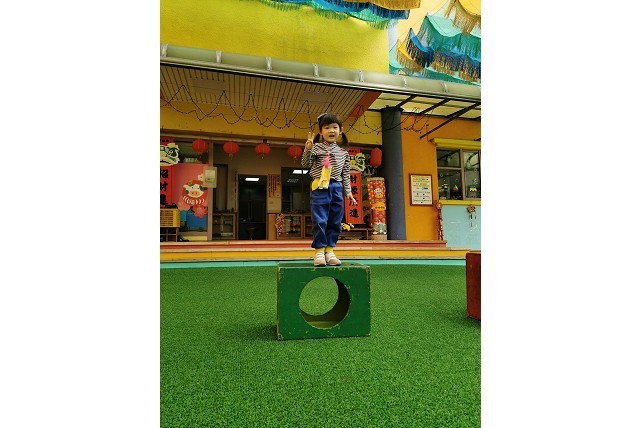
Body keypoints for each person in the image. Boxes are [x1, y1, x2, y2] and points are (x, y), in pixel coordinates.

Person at [302, 113, 357, 266]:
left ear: (340, 130)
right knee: (320, 219)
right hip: (319, 186)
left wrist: (348, 192)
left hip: (336, 187)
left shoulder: (344, 152)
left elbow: (345, 174)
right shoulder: (315, 147)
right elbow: (305, 164)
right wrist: (307, 149)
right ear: (321, 131)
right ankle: (319, 251)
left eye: (334, 127)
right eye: (327, 128)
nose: (331, 130)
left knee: (335, 220)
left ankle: (330, 250)